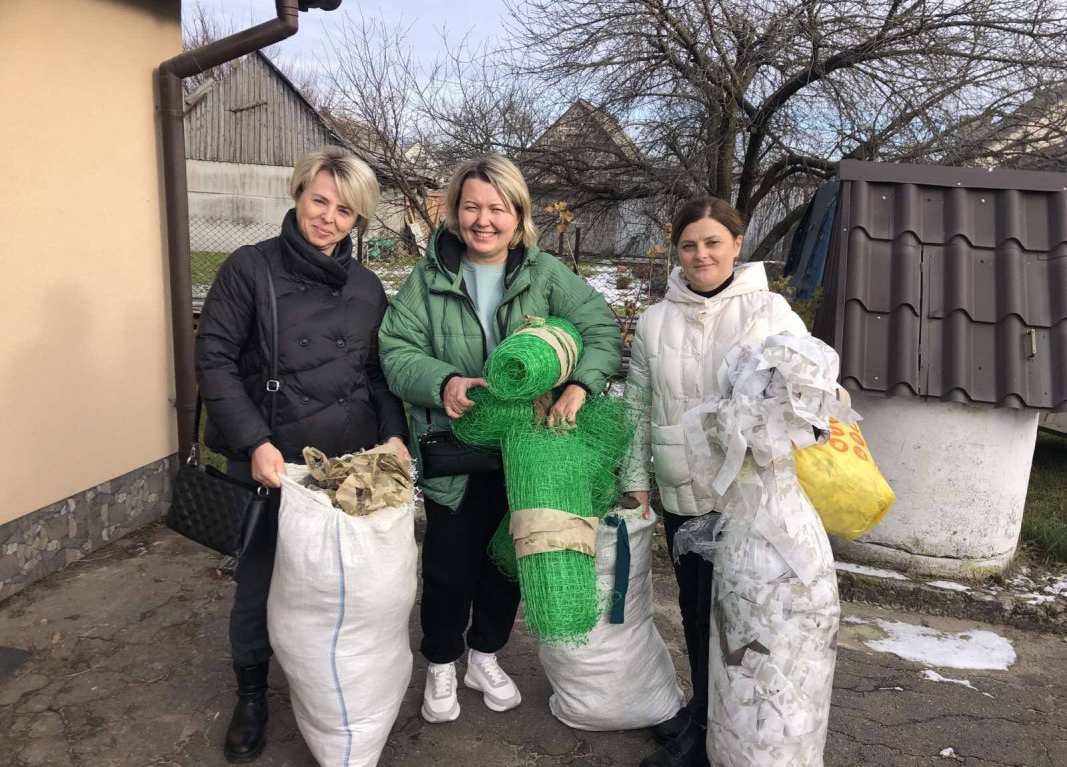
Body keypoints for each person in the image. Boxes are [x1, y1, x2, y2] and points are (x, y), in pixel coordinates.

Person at [378, 154, 621, 724]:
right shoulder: (429, 277)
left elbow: (600, 329)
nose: (483, 220)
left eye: (497, 208)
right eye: (471, 207)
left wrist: (582, 385)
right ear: (454, 212)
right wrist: (444, 382)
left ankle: (484, 654)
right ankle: (441, 662)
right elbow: (394, 351)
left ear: (518, 215)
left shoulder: (547, 274)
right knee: (448, 567)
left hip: (529, 456)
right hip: (454, 450)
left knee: (508, 560)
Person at [195, 146, 409, 763]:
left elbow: (376, 372)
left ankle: (331, 684)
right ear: (297, 195)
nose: (329, 218)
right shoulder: (249, 269)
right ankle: (254, 692)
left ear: (358, 219)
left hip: (346, 467)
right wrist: (253, 441)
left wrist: (392, 436)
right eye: (320, 200)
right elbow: (214, 360)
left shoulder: (367, 286)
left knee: (340, 583)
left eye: (345, 210)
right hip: (272, 456)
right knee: (261, 580)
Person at [619, 196, 808, 767]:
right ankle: (703, 722)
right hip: (684, 491)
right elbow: (636, 406)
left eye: (712, 242)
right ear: (676, 250)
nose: (701, 254)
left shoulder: (770, 313)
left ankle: (737, 732)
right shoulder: (655, 321)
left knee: (746, 618)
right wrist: (637, 481)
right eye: (689, 244)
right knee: (698, 614)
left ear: (737, 243)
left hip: (750, 495)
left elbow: (807, 393)